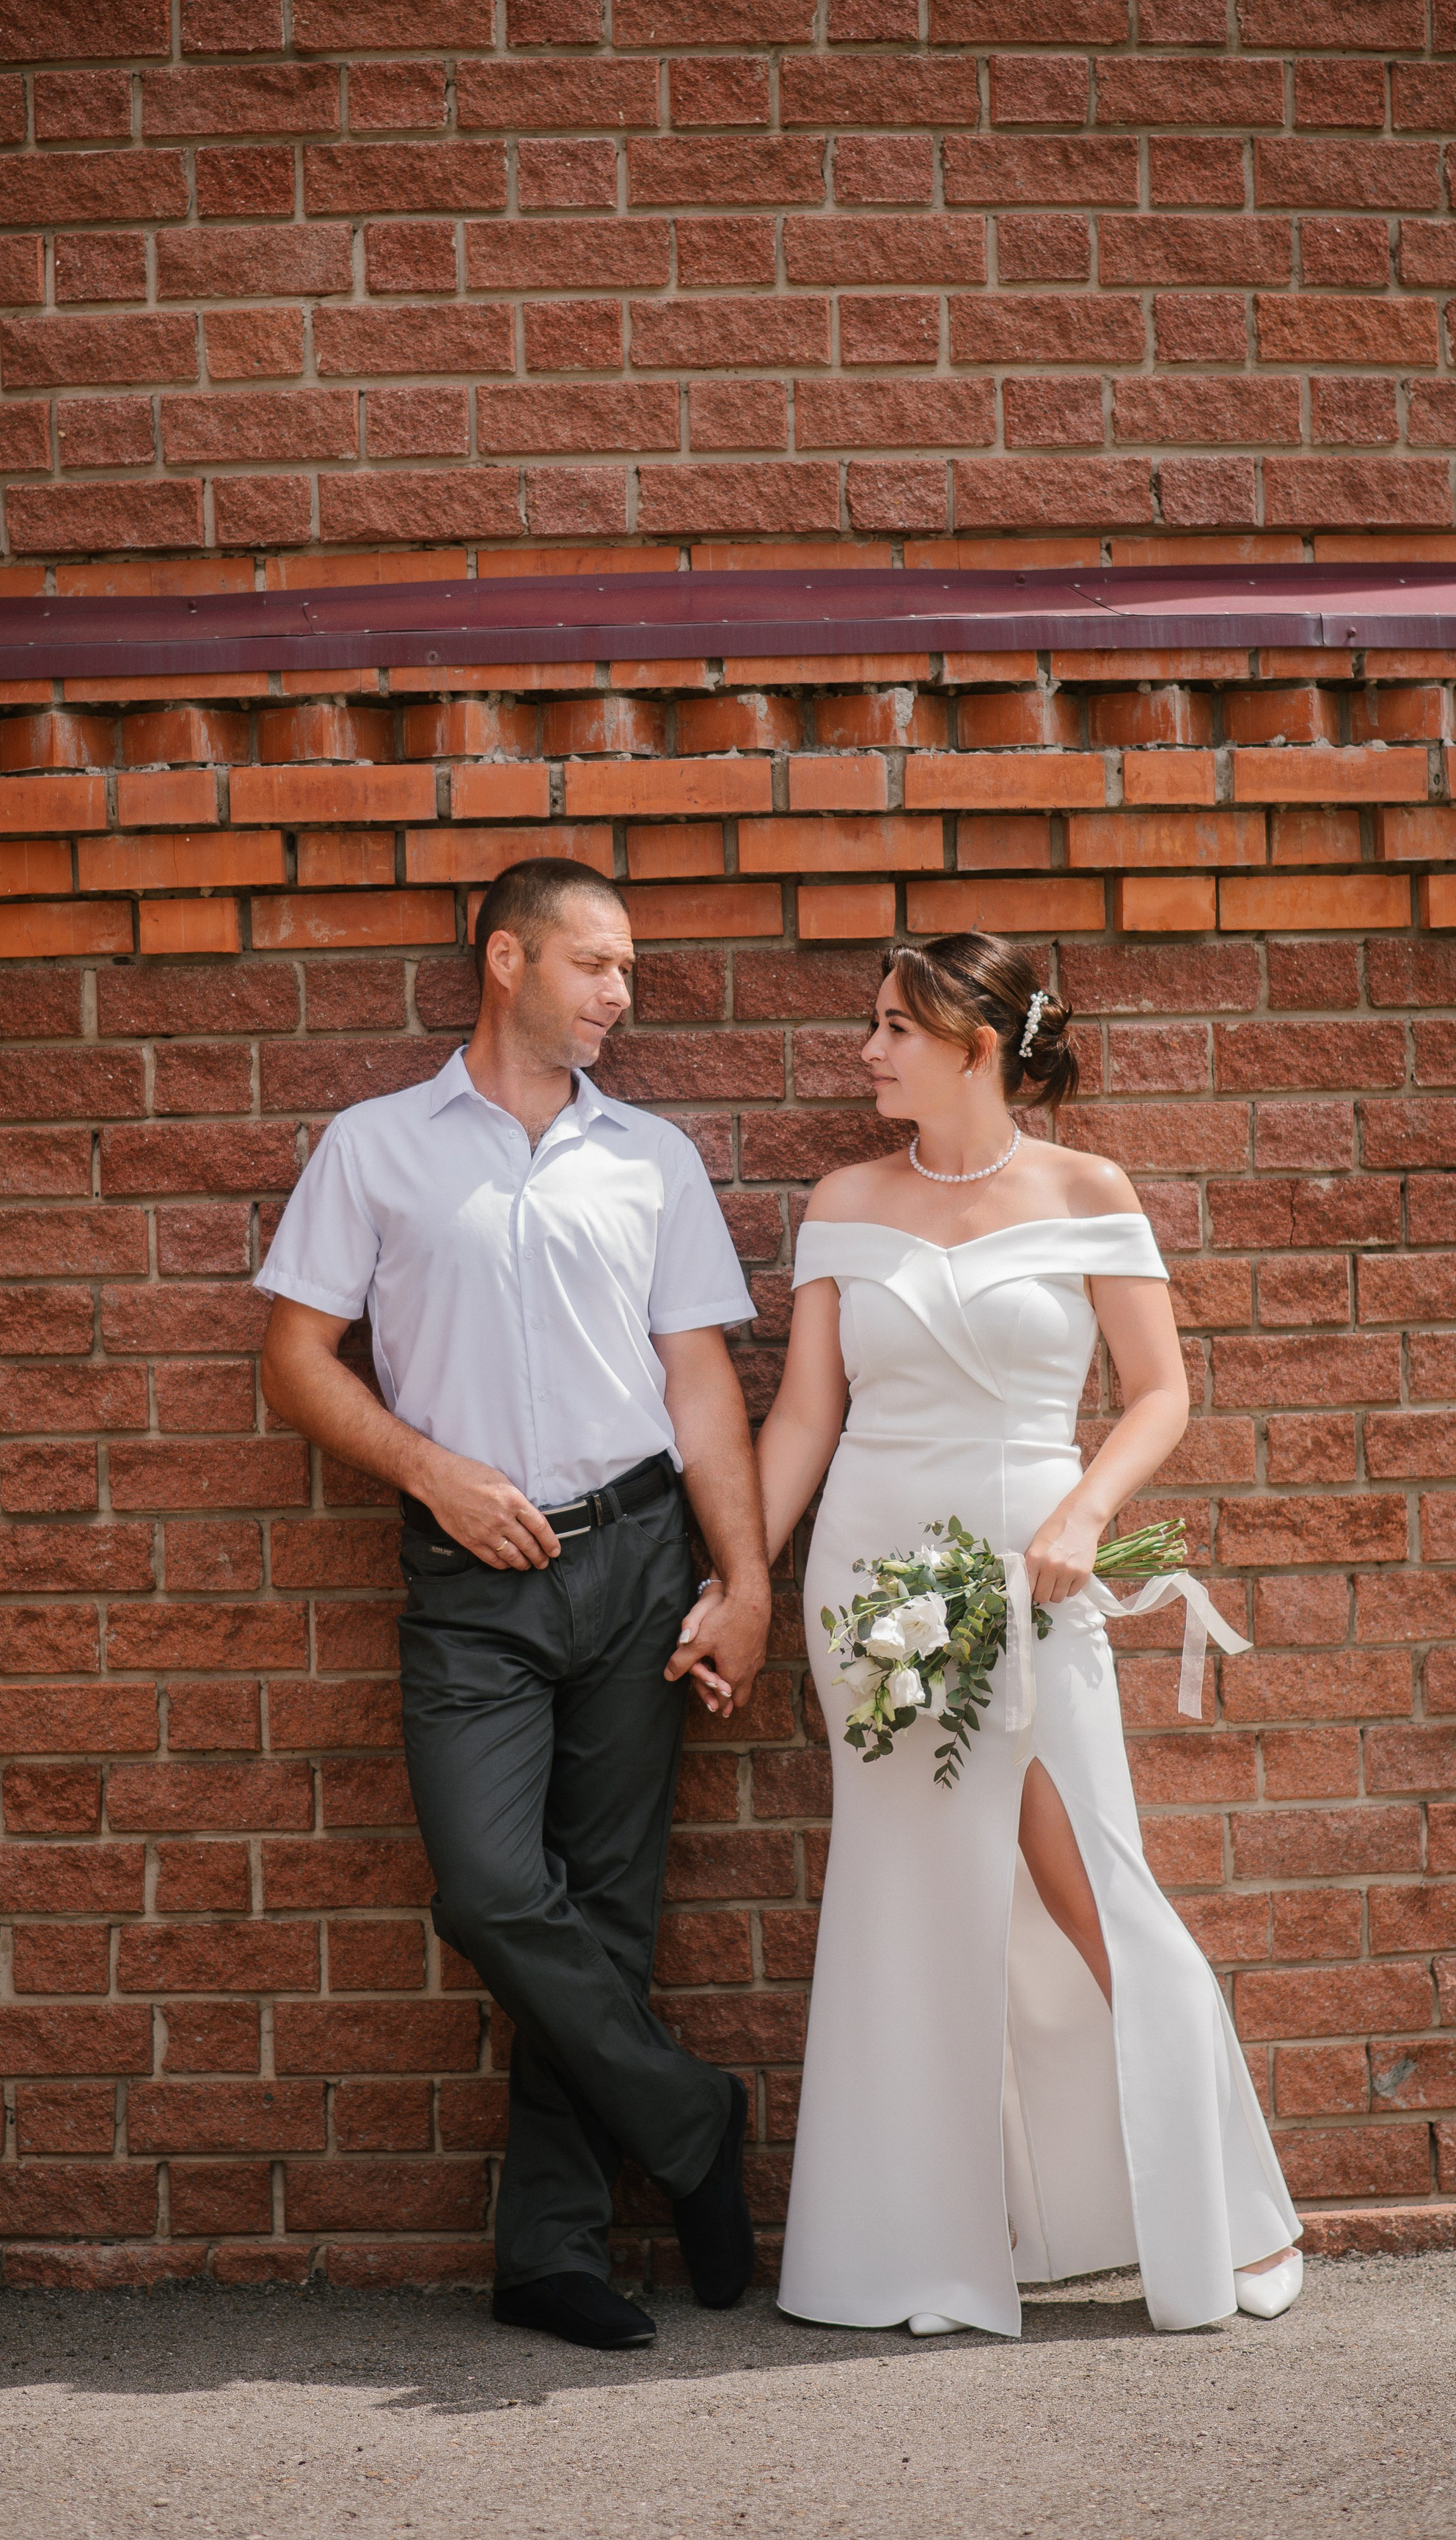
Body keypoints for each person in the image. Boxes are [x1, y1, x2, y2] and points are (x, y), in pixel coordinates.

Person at [742, 933, 1302, 2338]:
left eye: (891, 1028)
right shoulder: (844, 1199)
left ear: (975, 1045)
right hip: (868, 1581)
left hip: (1034, 1570)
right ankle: (915, 2253)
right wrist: (741, 1573)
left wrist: (1084, 1514)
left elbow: (1159, 1394)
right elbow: (806, 1416)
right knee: (906, 1895)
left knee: (1096, 1881)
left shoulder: (1086, 1191)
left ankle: (1225, 2220)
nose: (867, 1052)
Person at [255, 857, 772, 2353]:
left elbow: (698, 1383)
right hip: (468, 1577)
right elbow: (294, 1361)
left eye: (627, 969)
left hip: (634, 1558)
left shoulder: (652, 1160)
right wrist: (434, 1473)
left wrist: (739, 1581)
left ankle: (547, 2250)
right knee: (491, 1889)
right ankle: (689, 2119)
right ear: (505, 960)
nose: (621, 994)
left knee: (604, 1912)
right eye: (596, 964)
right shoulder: (375, 1147)